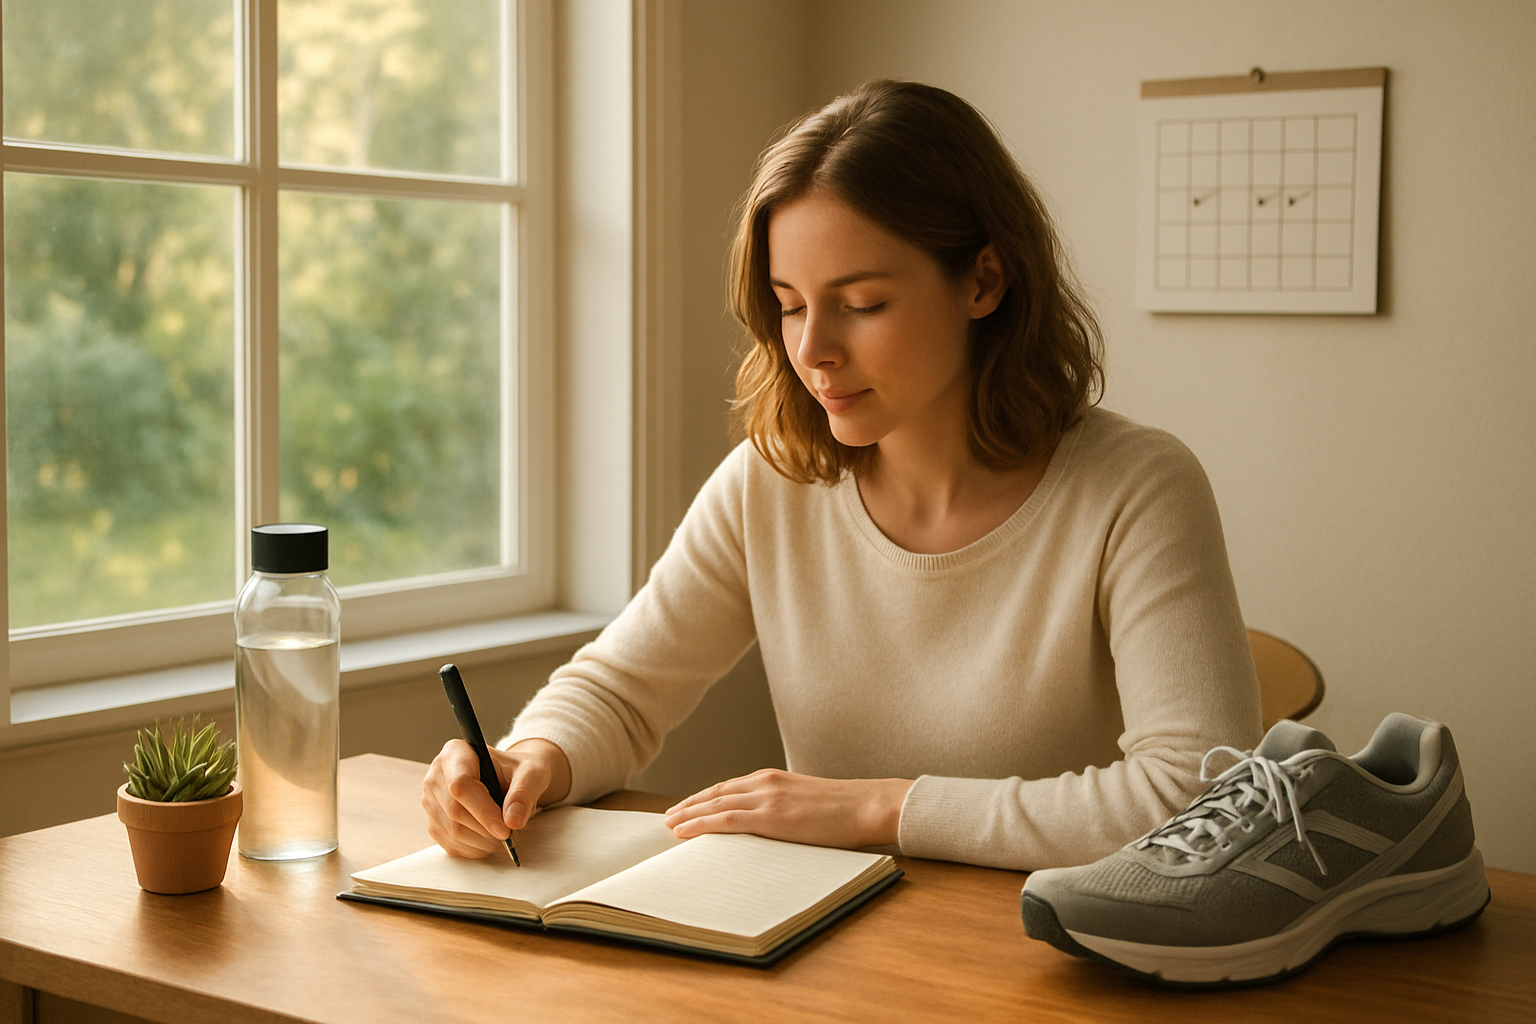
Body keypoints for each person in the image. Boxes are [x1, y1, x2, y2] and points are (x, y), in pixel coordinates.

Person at [422, 80, 1261, 871]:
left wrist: (878, 810)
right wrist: (529, 760)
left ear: (985, 279)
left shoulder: (1137, 489)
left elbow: (1200, 794)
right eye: (789, 304)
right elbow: (622, 690)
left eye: (861, 303)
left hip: (1059, 958)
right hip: (823, 949)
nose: (813, 349)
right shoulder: (771, 483)